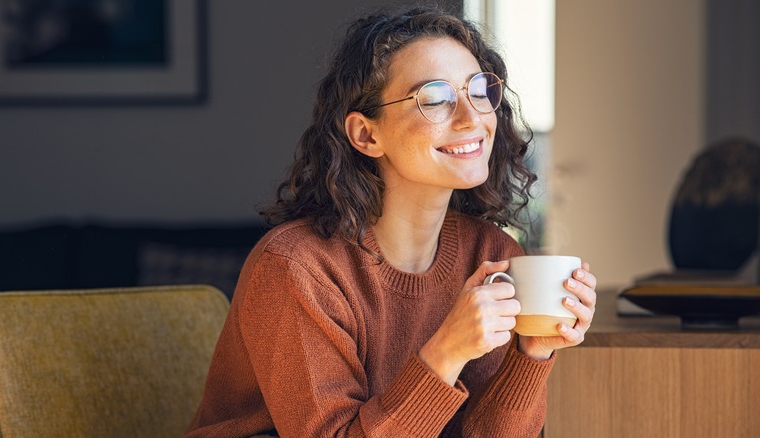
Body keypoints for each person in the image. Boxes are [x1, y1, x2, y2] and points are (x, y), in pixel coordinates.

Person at [186, 6, 597, 437]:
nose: (471, 117)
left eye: (478, 90)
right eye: (435, 99)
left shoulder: (491, 255)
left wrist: (531, 354)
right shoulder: (296, 268)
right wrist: (446, 351)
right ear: (367, 135)